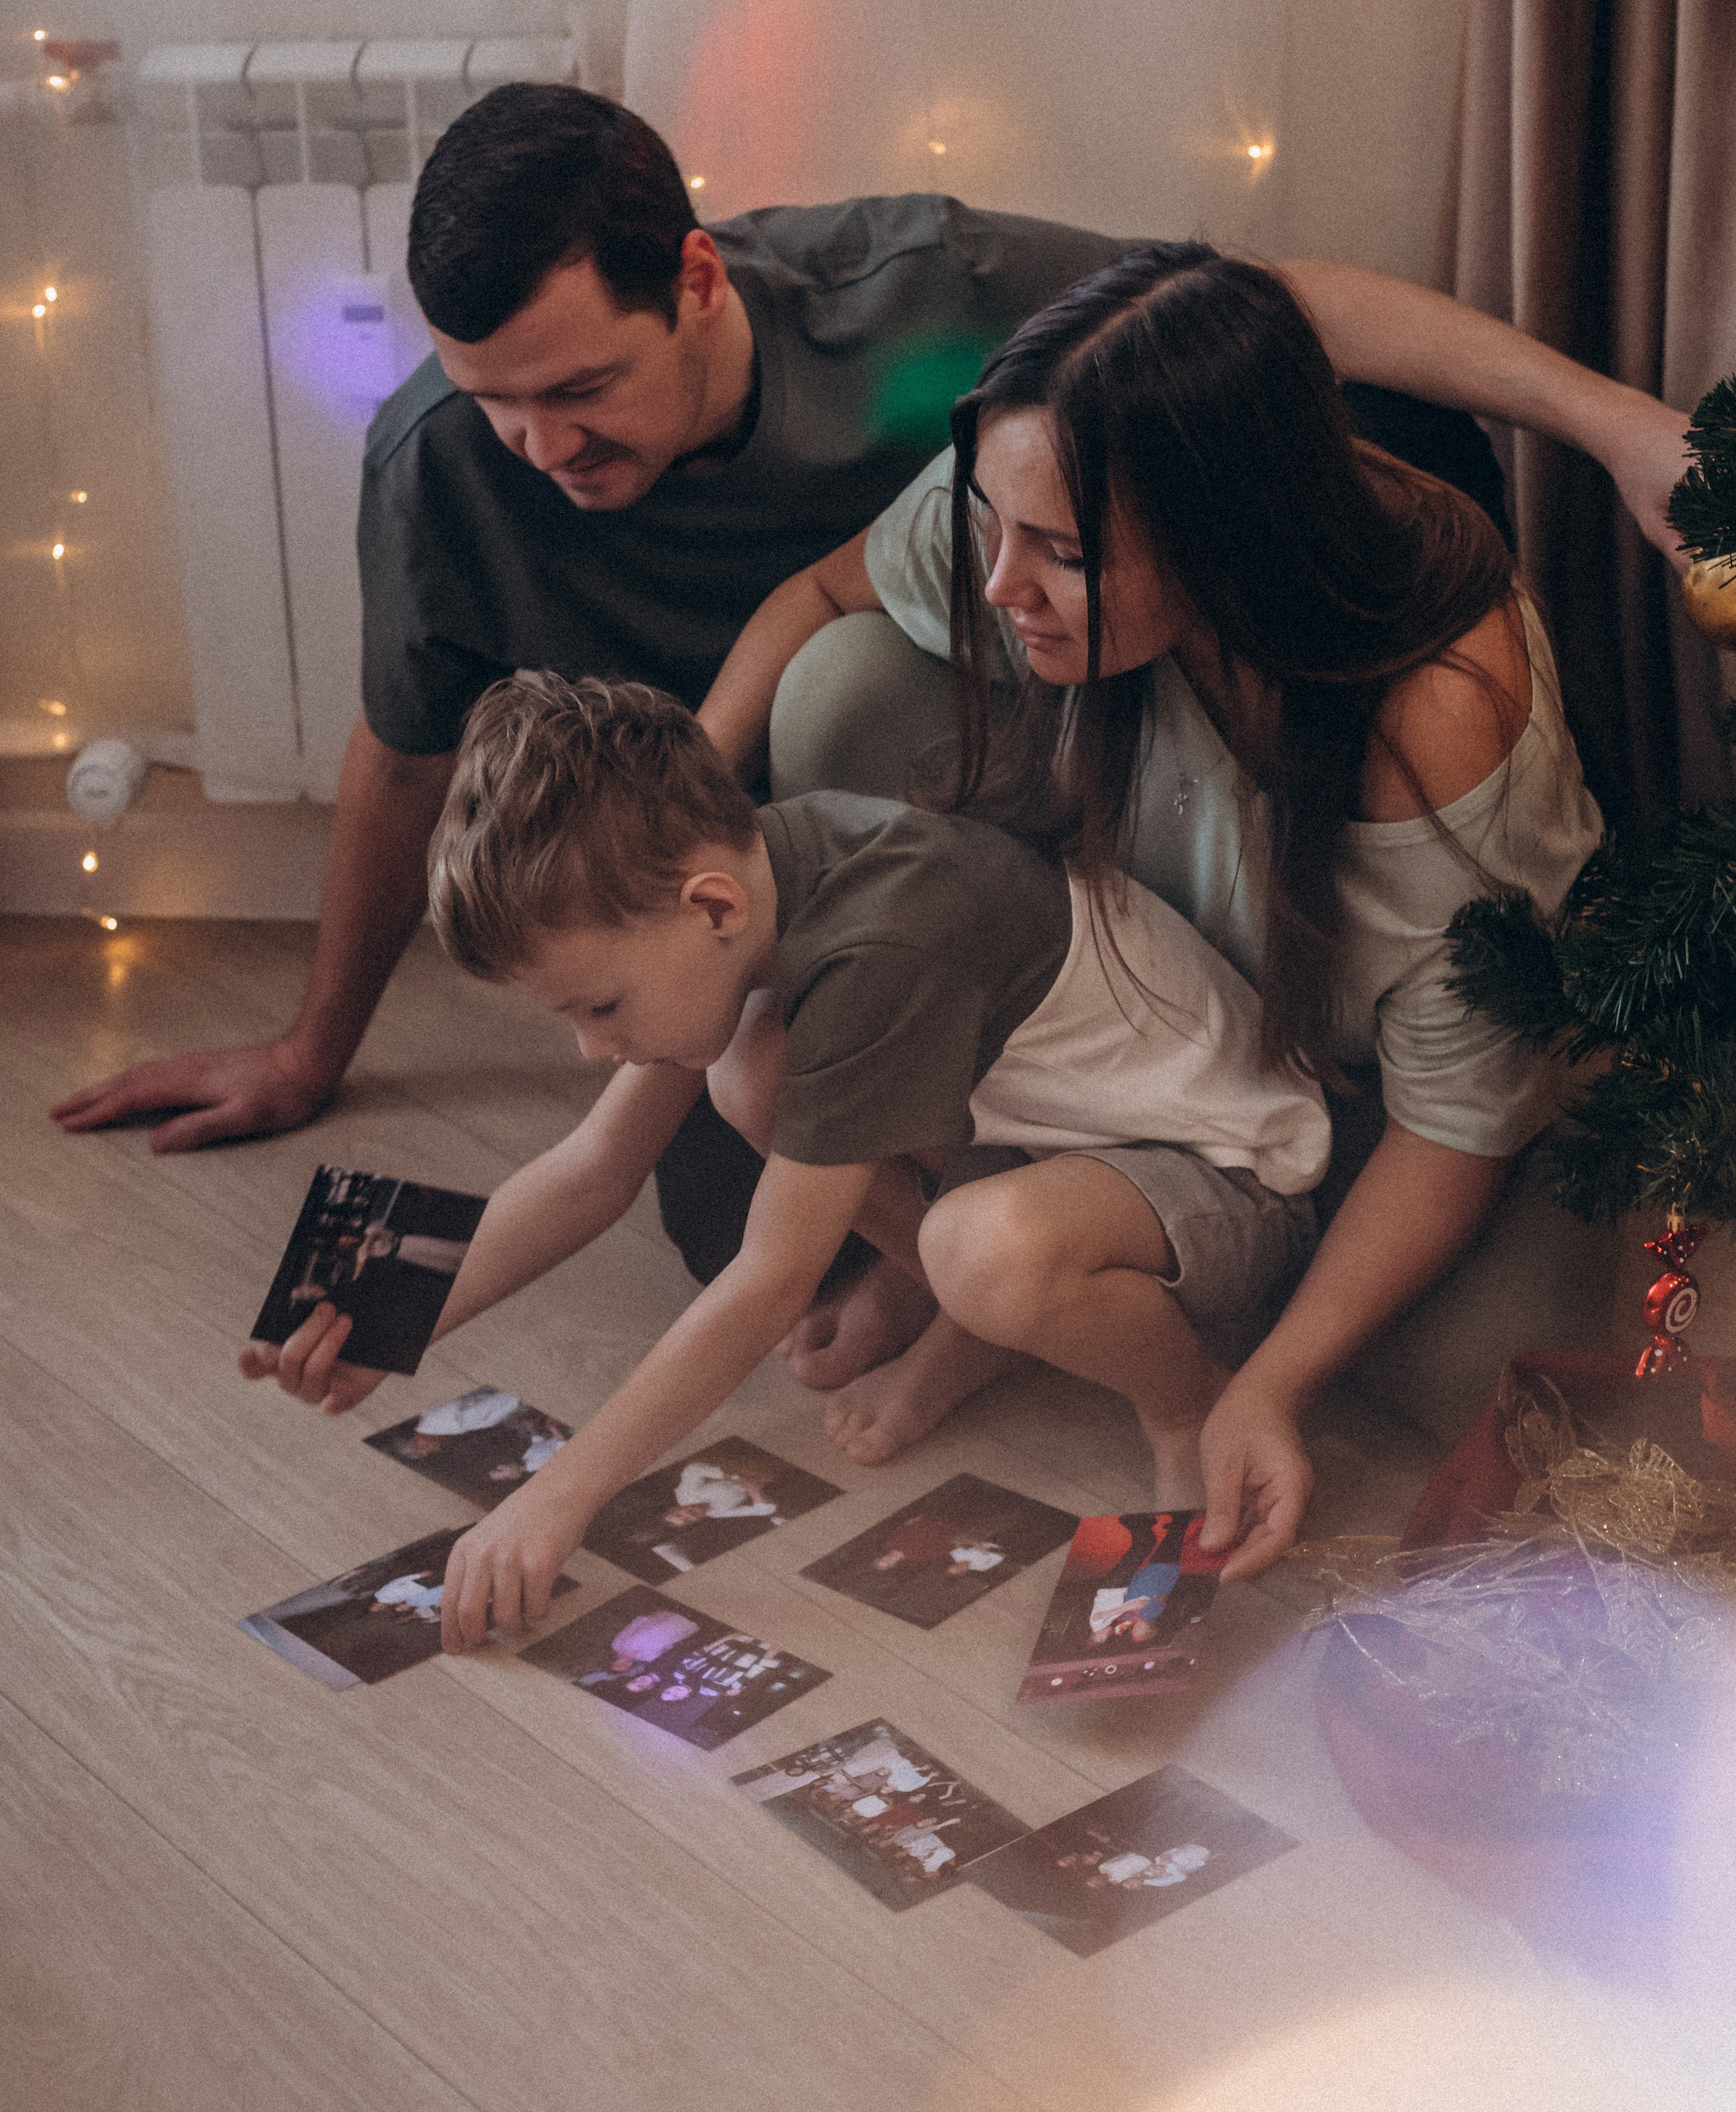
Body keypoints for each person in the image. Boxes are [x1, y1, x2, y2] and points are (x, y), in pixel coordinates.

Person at [51, 86, 1687, 1262]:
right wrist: (313, 1046)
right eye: (492, 401)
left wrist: (1616, 427)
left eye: (580, 391)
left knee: (847, 699)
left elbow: (1255, 323)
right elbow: (401, 753)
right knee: (734, 1211)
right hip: (761, 865)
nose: (539, 449)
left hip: (1030, 778)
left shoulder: (931, 305)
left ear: (694, 282)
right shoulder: (441, 471)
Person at [715, 244, 1602, 1586]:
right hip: (1117, 983)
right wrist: (675, 820)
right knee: (832, 711)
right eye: (992, 528)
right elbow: (820, 595)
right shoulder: (1040, 478)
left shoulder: (1430, 712)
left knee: (1508, 1375)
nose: (1000, 584)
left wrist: (1272, 1390)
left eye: (1058, 557)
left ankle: (1029, 1267)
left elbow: (1451, 1124)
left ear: (1222, 541)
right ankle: (960, 1272)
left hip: (1329, 1081)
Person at [239, 667, 1330, 1645]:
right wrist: (393, 1314)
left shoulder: (876, 949)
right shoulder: (748, 880)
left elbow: (769, 1283)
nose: (593, 1048)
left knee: (973, 1245)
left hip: (1231, 1171)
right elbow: (591, 1167)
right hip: (1055, 1139)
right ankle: (971, 1314)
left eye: (603, 1007)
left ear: (709, 906)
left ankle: (1183, 1397)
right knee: (751, 1071)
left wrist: (557, 1498)